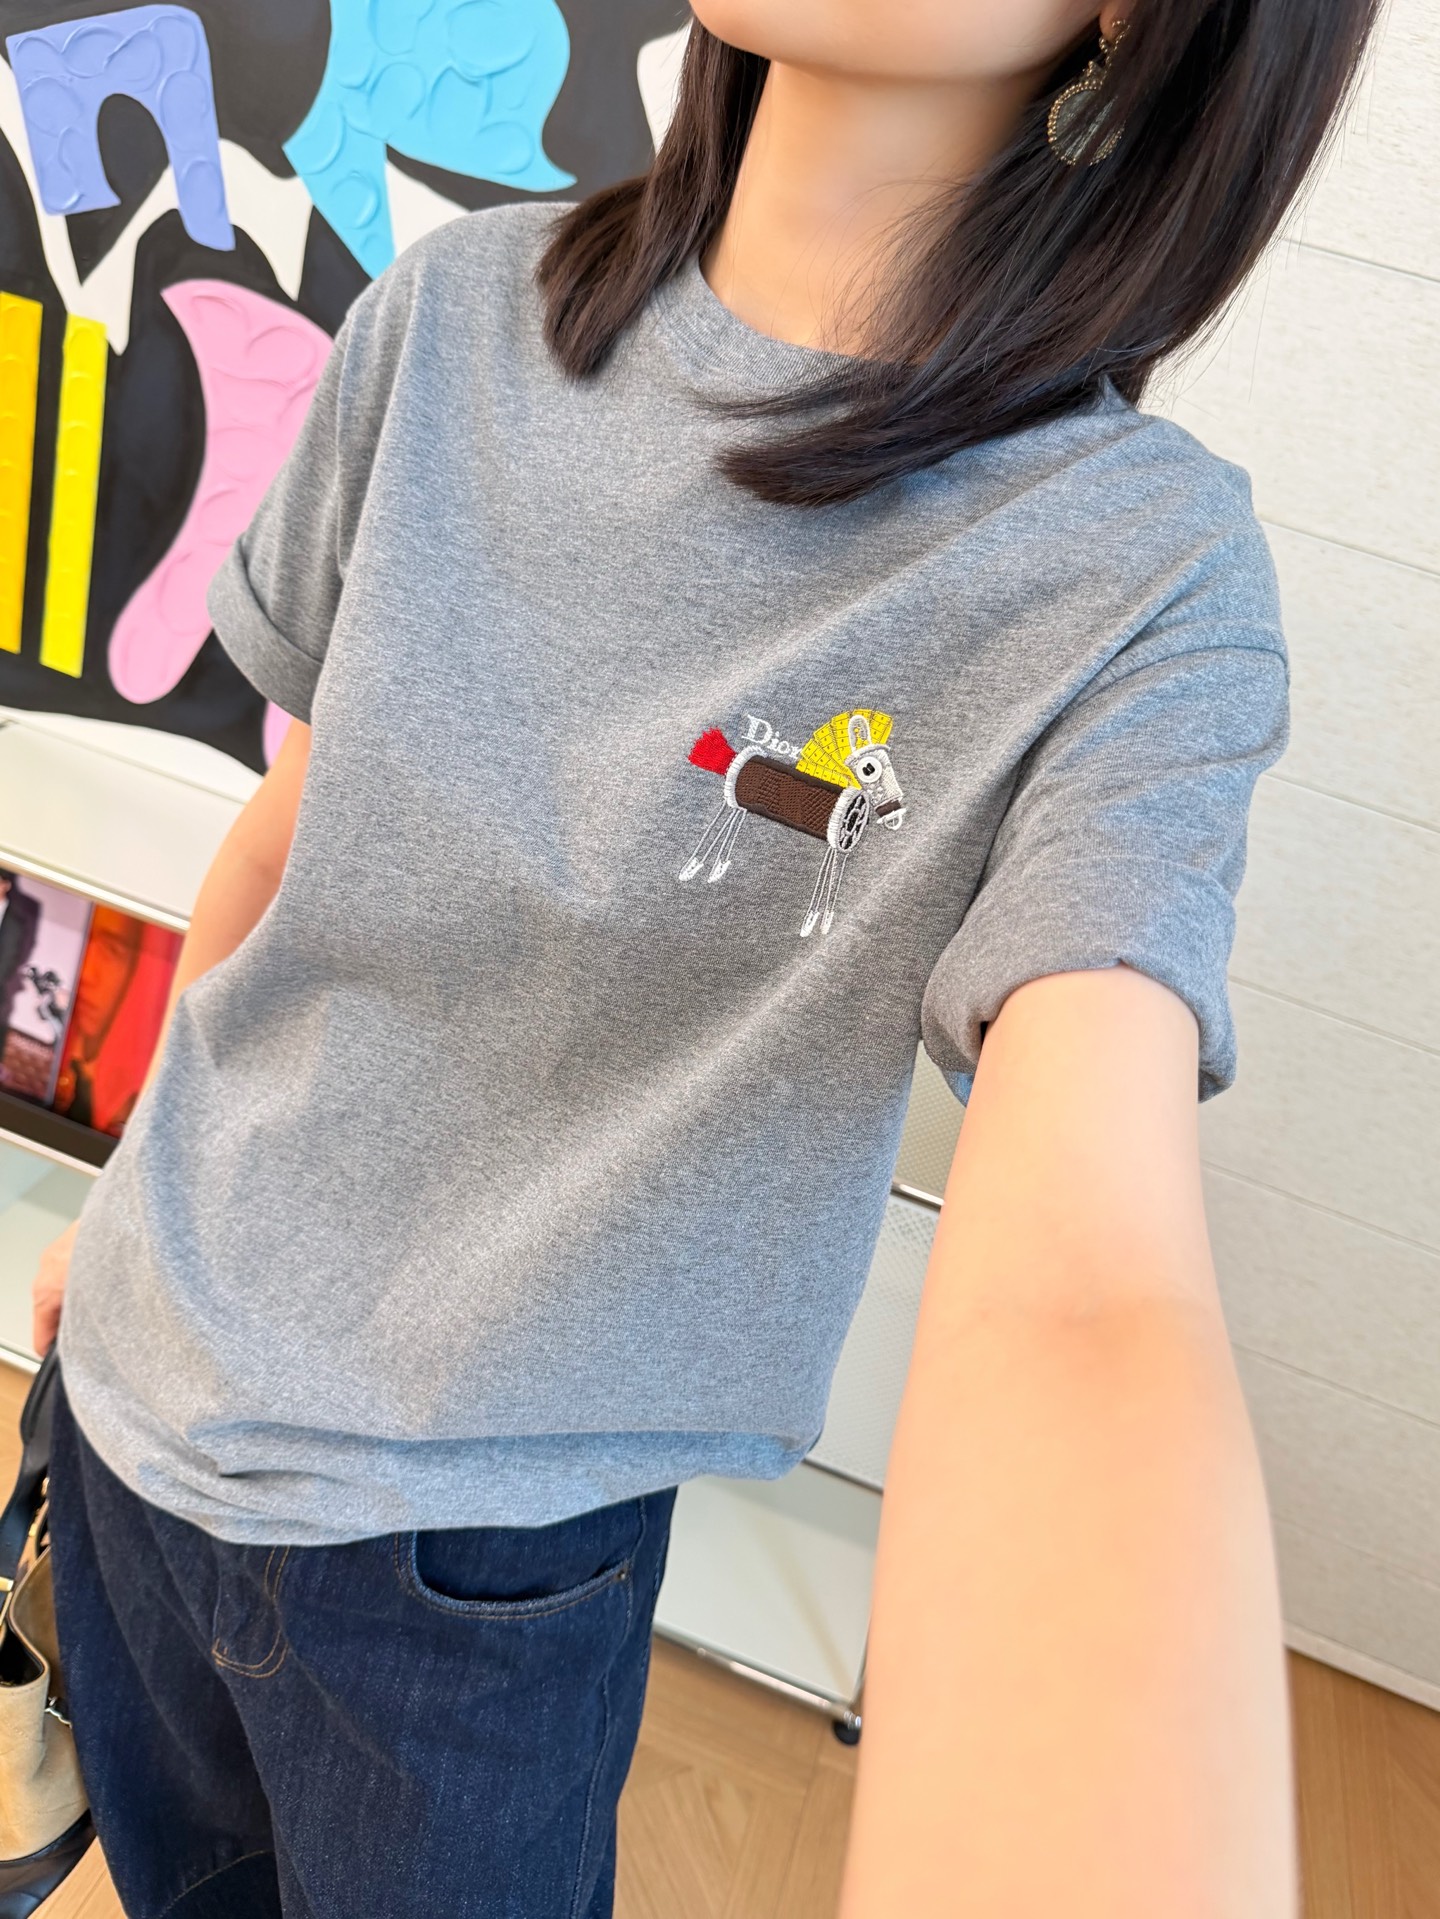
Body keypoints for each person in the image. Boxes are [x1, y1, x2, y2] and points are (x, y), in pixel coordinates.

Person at [33, 2, 1380, 1914]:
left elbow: (1090, 1278)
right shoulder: (452, 315)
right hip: (130, 1383)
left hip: (469, 1559)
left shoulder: (1132, 577)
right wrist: (126, 1200)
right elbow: (288, 848)